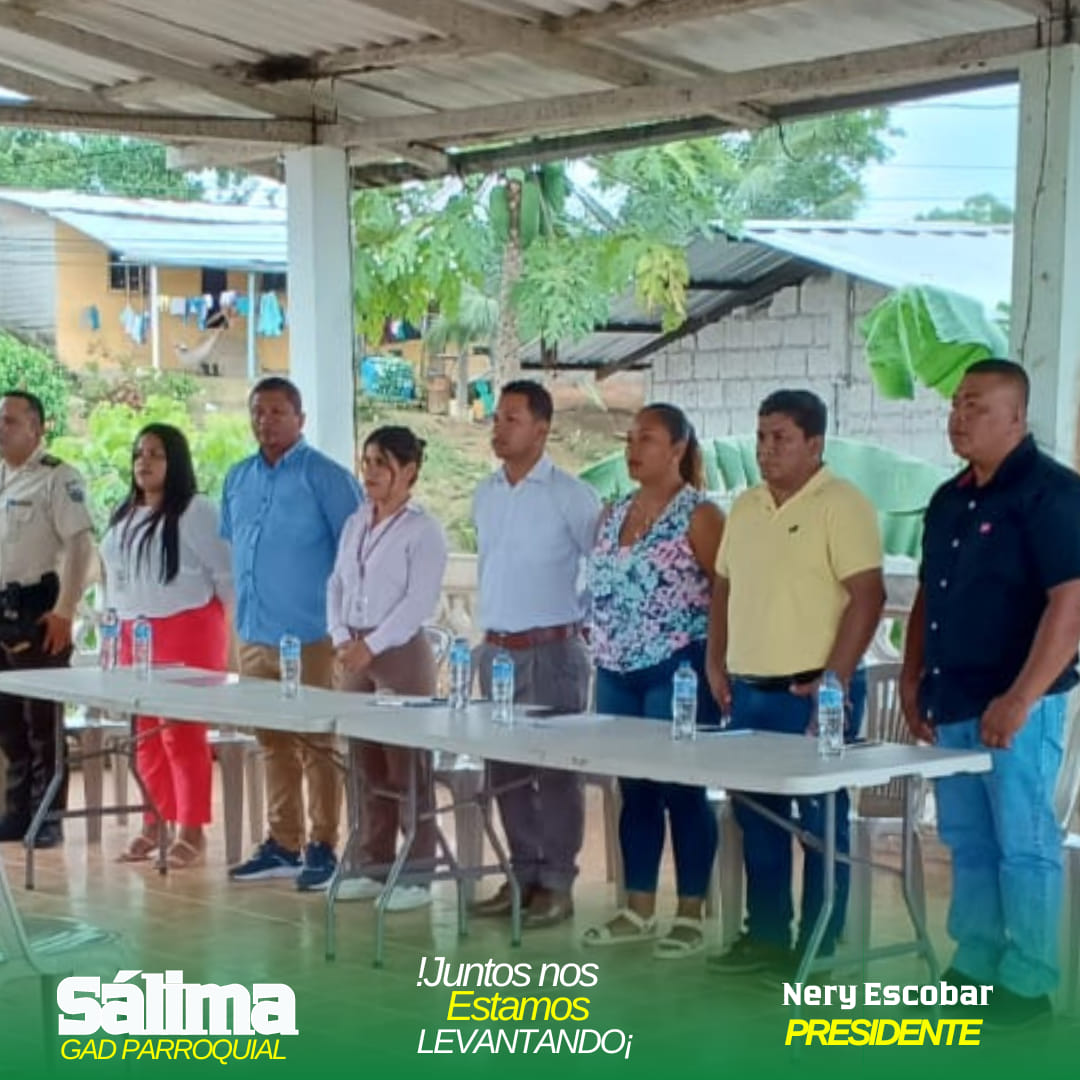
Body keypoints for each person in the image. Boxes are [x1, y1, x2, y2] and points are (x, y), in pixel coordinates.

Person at [901, 359, 1080, 1029]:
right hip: (953, 698)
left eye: (975, 405)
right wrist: (913, 676)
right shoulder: (949, 499)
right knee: (968, 839)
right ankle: (975, 963)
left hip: (1018, 704)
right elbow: (929, 593)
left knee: (1023, 841)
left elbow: (1071, 603)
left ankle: (1029, 982)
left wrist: (1022, 697)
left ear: (1016, 417)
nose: (959, 417)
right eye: (955, 404)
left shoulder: (1052, 494)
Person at [706, 389, 883, 976]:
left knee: (819, 823)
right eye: (761, 437)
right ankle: (765, 937)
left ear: (814, 443)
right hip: (749, 689)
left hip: (813, 694)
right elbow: (724, 585)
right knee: (757, 819)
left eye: (780, 438)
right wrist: (715, 658)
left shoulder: (843, 503)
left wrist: (836, 679)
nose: (766, 449)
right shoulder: (746, 506)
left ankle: (818, 945)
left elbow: (867, 595)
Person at [581, 404, 724, 959]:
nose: (633, 450)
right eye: (630, 439)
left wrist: (717, 663)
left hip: (677, 669)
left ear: (678, 449)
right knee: (634, 789)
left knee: (681, 788)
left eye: (647, 439)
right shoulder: (614, 512)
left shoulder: (700, 515)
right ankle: (637, 906)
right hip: (616, 670)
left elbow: (726, 591)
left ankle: (689, 911)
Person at [223, 376, 362, 889]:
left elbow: (354, 553)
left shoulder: (326, 477)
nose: (266, 421)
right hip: (254, 633)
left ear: (300, 419)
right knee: (272, 741)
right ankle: (283, 842)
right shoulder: (238, 477)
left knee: (318, 741)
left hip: (312, 634)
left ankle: (323, 845)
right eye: (258, 412)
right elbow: (235, 545)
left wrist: (349, 628)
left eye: (278, 412)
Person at [471, 380, 600, 928]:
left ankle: (558, 883)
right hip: (496, 651)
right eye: (497, 418)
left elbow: (602, 564)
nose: (499, 429)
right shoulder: (485, 493)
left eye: (512, 419)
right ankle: (521, 875)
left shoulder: (570, 495)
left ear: (542, 430)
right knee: (505, 770)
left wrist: (579, 621)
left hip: (552, 651)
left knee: (556, 772)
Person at [327, 426, 448, 911]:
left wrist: (372, 645)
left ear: (409, 471)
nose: (371, 472)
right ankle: (371, 863)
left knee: (406, 767)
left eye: (382, 463)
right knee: (363, 764)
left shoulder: (423, 530)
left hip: (397, 652)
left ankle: (416, 874)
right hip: (353, 648)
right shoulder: (356, 521)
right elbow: (336, 583)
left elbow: (418, 601)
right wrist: (340, 635)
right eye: (367, 462)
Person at [101, 424, 232, 868]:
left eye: (156, 454)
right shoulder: (124, 513)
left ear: (175, 461)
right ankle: (154, 821)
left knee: (182, 734)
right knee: (146, 737)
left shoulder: (197, 511)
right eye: (139, 453)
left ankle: (191, 829)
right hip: (133, 632)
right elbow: (113, 579)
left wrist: (236, 637)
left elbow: (226, 575)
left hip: (186, 630)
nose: (145, 462)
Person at [0, 390, 96, 848]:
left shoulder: (58, 477)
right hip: (1, 607)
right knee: (7, 720)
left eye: (10, 421)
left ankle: (48, 816)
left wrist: (65, 611)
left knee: (42, 721)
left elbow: (80, 546)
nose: (1, 429)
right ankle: (18, 812)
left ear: (36, 429)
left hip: (39, 608)